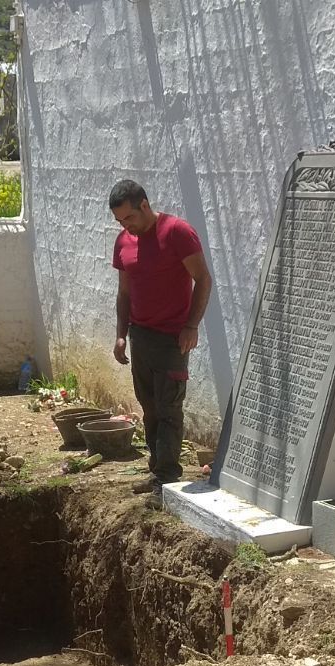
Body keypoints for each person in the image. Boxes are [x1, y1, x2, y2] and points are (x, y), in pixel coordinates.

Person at [109, 179, 213, 494]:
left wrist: (191, 325)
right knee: (149, 406)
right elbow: (124, 292)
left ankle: (167, 476)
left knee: (168, 408)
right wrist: (121, 334)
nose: (126, 225)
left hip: (172, 339)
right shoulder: (124, 242)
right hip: (140, 336)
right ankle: (158, 470)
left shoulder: (177, 233)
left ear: (144, 204)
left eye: (130, 217)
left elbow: (203, 279)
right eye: (120, 221)